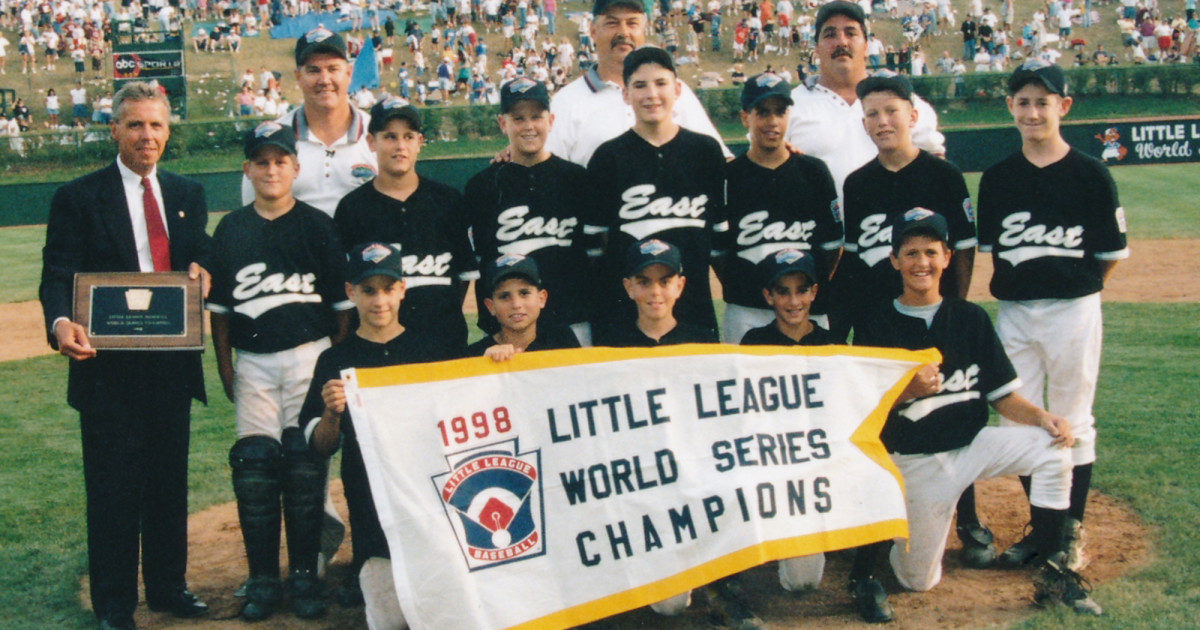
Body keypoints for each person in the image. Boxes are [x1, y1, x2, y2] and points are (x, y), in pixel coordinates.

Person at [853, 208, 1103, 618]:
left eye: (931, 252)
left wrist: (1043, 418)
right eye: (911, 253)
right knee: (917, 580)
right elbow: (864, 411)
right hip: (918, 462)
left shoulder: (969, 317)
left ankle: (1055, 569)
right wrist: (905, 392)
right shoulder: (876, 323)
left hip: (972, 446)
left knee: (1052, 444)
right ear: (895, 259)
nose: (922, 263)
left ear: (947, 257)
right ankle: (899, 541)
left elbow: (1002, 397)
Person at [39, 81, 211, 630]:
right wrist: (61, 322)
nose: (147, 136)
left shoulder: (186, 194)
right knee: (113, 489)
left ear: (168, 130)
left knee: (167, 482)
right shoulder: (78, 196)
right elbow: (57, 273)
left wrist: (206, 270)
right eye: (135, 124)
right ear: (114, 129)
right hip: (106, 368)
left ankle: (168, 588)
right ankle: (114, 604)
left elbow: (198, 258)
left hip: (169, 365)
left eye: (156, 125)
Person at [978, 60, 1129, 574]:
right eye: (1023, 101)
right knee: (1019, 419)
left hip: (1073, 311)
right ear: (1010, 107)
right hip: (1016, 311)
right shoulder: (997, 179)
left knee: (1073, 420)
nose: (1033, 110)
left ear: (1063, 106)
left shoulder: (1090, 173)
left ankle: (1068, 533)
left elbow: (1108, 255)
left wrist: (1077, 295)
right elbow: (993, 250)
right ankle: (1043, 532)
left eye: (1044, 101)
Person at [208, 122, 354, 621]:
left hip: (309, 355)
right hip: (253, 360)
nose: (271, 170)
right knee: (254, 466)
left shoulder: (317, 226)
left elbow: (340, 307)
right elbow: (221, 313)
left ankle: (306, 576)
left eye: (280, 161)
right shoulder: (231, 228)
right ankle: (263, 580)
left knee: (304, 463)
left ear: (296, 167)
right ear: (247, 169)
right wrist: (226, 368)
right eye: (261, 162)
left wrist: (332, 359)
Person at [301, 242, 457, 630]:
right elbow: (321, 446)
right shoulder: (335, 360)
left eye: (388, 288)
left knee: (445, 611)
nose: (379, 300)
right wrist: (330, 413)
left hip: (433, 502)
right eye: (368, 290)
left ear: (403, 289)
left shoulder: (432, 351)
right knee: (389, 619)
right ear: (350, 292)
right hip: (373, 507)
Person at [585, 47, 727, 340]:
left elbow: (718, 241)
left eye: (661, 83)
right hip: (628, 313)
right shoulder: (608, 157)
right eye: (640, 85)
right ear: (625, 94)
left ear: (677, 89)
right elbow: (596, 248)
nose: (651, 94)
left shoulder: (706, 151)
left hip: (695, 306)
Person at [335, 98, 478, 353]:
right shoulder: (352, 208)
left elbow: (461, 278)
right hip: (378, 350)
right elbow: (347, 288)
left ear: (419, 142)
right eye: (390, 136)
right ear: (371, 143)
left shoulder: (448, 201)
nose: (400, 146)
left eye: (408, 136)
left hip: (444, 344)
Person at [463, 78, 596, 344]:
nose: (529, 126)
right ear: (503, 123)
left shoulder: (577, 179)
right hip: (510, 331)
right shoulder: (483, 186)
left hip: (573, 321)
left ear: (551, 120)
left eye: (536, 116)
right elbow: (481, 264)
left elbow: (594, 256)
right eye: (518, 118)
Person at [721, 72, 842, 344]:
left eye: (780, 111)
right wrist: (745, 284)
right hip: (747, 310)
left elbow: (832, 249)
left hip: (807, 311)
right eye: (762, 112)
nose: (772, 121)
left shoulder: (814, 172)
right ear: (745, 118)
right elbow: (719, 254)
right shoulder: (729, 177)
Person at [782, 1, 944, 200]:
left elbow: (936, 166)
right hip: (818, 229)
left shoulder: (901, 99)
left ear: (866, 46)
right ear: (816, 48)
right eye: (830, 34)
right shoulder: (788, 105)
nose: (841, 42)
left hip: (891, 228)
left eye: (851, 33)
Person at [543, 0, 729, 166]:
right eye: (612, 23)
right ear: (592, 31)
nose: (623, 32)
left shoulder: (672, 90)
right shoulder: (565, 102)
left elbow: (720, 159)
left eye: (632, 23)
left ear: (644, 30)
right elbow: (549, 177)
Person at [242, 27, 376, 217]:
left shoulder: (379, 133)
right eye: (313, 70)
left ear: (348, 72)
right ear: (298, 77)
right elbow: (252, 218)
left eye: (333, 69)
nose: (324, 79)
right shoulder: (273, 138)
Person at [468, 254, 582, 358]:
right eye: (504, 296)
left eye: (524, 293)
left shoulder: (562, 341)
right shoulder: (476, 354)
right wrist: (484, 364)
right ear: (490, 306)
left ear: (541, 299)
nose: (516, 304)